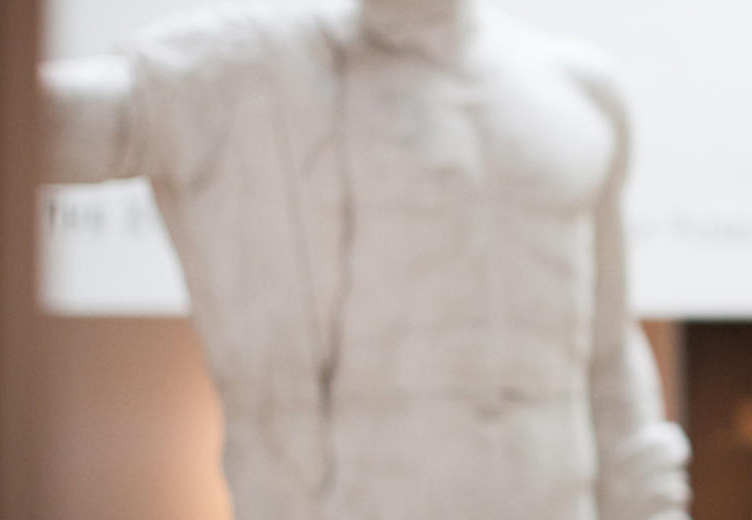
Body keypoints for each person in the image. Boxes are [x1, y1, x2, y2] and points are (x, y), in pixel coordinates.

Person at [40, 1, 690, 518]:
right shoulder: (246, 71)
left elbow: (605, 355)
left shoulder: (579, 92)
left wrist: (653, 506)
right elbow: (41, 123)